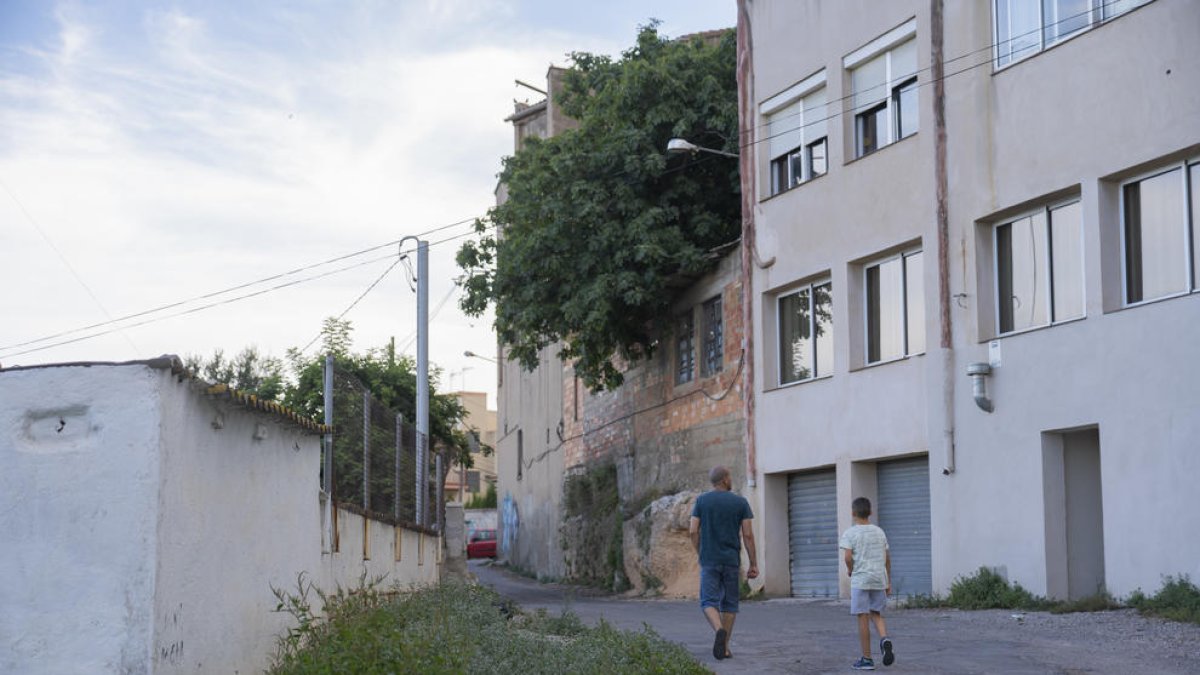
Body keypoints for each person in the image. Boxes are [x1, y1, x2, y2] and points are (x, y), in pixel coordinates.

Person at [689, 465, 757, 661]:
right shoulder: (740, 502)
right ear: (726, 479)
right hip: (731, 561)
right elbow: (748, 535)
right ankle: (724, 646)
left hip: (709, 559)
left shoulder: (702, 500)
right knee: (729, 604)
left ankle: (719, 630)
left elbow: (693, 530)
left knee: (708, 601)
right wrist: (753, 563)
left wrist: (699, 550)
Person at [839, 497, 895, 670]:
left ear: (853, 513)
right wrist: (888, 581)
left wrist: (850, 569)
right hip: (879, 578)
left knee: (862, 617)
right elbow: (887, 558)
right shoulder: (879, 532)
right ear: (870, 512)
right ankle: (884, 638)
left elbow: (848, 557)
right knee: (876, 613)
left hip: (861, 579)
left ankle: (867, 659)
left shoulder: (850, 533)